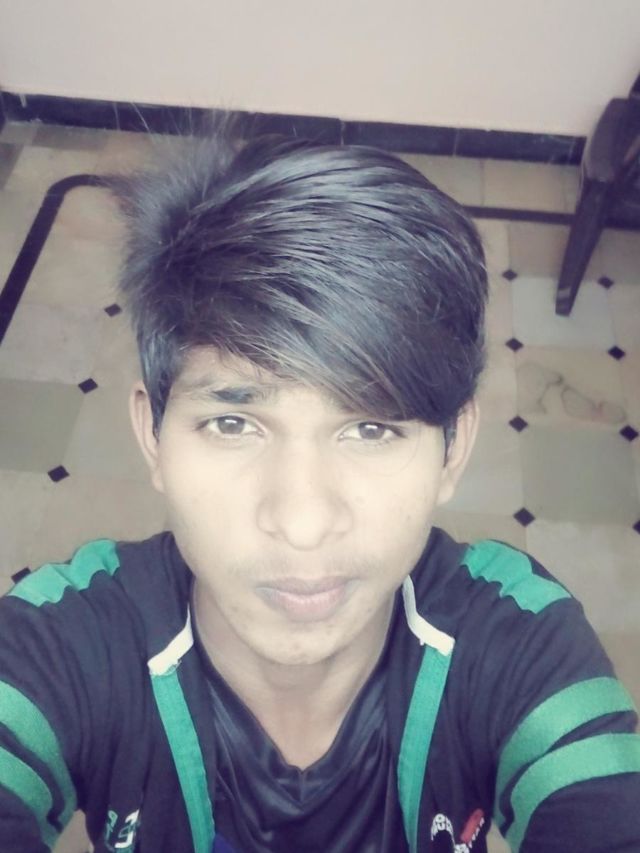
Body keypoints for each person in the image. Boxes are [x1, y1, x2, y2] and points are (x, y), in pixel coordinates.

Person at [1, 129, 639, 853]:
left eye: (370, 428)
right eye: (233, 423)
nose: (302, 523)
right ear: (153, 436)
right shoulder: (64, 645)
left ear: (453, 448)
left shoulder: (518, 644)